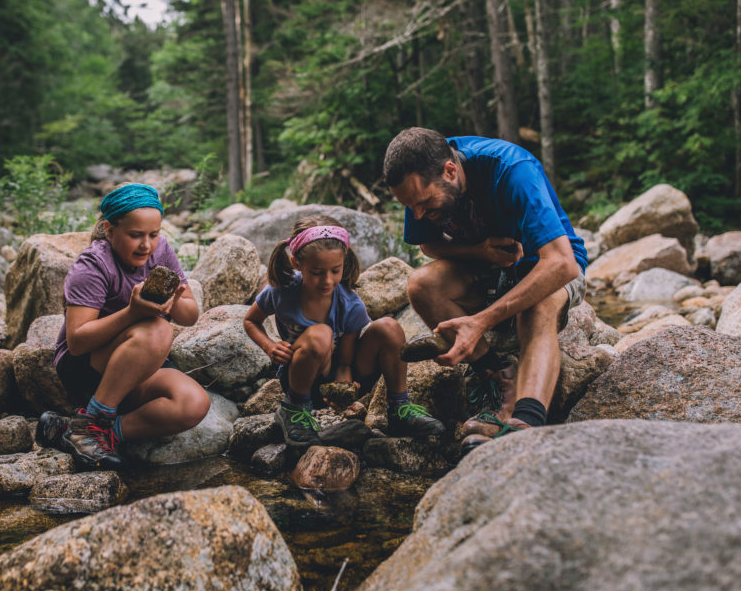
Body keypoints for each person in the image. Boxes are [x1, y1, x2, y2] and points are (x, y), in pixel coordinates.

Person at [382, 128, 587, 455]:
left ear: (450, 171)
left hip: (542, 264)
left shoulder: (512, 169)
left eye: (423, 204)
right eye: (410, 206)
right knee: (421, 285)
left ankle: (526, 423)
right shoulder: (418, 178)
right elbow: (428, 244)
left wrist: (481, 321)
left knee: (534, 306)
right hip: (487, 267)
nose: (418, 214)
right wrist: (480, 252)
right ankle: (500, 378)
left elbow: (562, 263)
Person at [38, 183, 210, 469]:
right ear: (109, 230)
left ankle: (90, 430)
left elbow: (190, 316)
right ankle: (92, 421)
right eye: (135, 235)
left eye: (153, 234)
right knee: (158, 329)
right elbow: (77, 341)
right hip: (85, 367)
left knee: (193, 403)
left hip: (142, 360)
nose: (146, 245)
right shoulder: (93, 264)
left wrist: (174, 301)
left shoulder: (160, 251)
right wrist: (133, 312)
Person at [243, 215, 445, 448]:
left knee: (389, 327)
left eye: (335, 271)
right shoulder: (280, 291)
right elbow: (251, 321)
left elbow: (346, 361)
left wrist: (344, 386)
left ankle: (399, 408)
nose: (328, 281)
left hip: (340, 372)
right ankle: (293, 410)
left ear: (344, 263)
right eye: (317, 272)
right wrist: (269, 346)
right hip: (300, 377)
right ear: (296, 263)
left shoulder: (349, 303)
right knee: (321, 334)